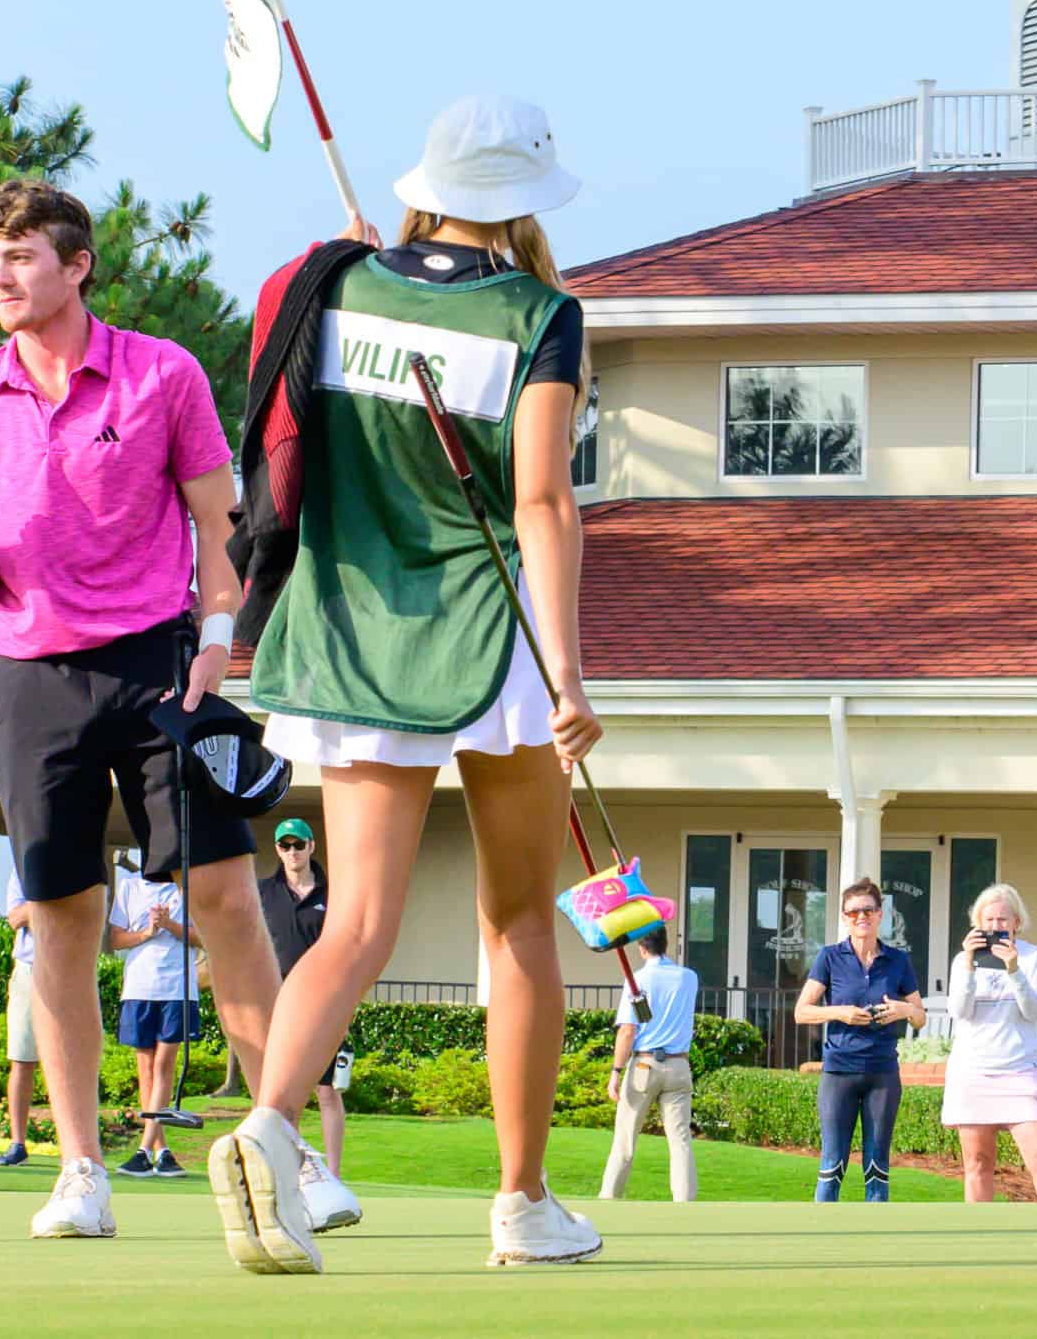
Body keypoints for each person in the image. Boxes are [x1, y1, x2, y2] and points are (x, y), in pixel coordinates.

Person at [189, 99, 601, 1272]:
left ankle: (268, 1130)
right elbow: (542, 503)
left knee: (357, 921)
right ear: (519, 197)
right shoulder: (542, 313)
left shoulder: (335, 286)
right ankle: (522, 1203)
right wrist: (569, 673)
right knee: (517, 915)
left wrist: (359, 274)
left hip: (350, 631)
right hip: (491, 631)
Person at [0, 177, 296, 1245]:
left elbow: (223, 527)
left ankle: (277, 1144)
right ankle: (78, 1169)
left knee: (225, 898)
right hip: (30, 676)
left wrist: (218, 646)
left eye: (19, 255)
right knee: (59, 919)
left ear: (75, 265)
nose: (1, 276)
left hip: (163, 663)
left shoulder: (163, 371)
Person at [796, 876, 923, 1202]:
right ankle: (822, 1241)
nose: (861, 917)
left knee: (877, 1166)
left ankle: (876, 1244)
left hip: (882, 1073)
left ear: (880, 914)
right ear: (844, 917)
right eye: (853, 913)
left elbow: (920, 1016)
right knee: (832, 1164)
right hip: (839, 1070)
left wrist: (903, 1009)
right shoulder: (829, 957)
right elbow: (802, 1011)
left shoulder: (898, 961)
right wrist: (840, 1013)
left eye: (867, 911)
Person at [943, 883, 1037, 1203]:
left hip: (1020, 1070)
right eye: (988, 921)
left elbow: (1034, 1010)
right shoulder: (963, 960)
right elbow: (959, 1011)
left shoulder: (1034, 957)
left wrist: (1014, 970)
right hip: (972, 1071)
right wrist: (970, 963)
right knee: (977, 1163)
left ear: (1017, 922)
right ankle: (981, 1240)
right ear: (977, 923)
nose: (995, 927)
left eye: (1003, 920)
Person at [256, 818, 353, 1183]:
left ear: (312, 846)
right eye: (286, 846)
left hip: (324, 1005)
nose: (293, 852)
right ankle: (282, 1170)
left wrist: (345, 1006)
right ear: (278, 850)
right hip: (276, 1005)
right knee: (274, 1092)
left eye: (299, 844)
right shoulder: (263, 892)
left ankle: (334, 1174)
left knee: (326, 1091)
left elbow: (349, 951)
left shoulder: (335, 893)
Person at [108, 856, 197, 1178]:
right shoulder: (130, 887)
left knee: (163, 1066)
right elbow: (116, 939)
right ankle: (161, 1151)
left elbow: (203, 938)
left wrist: (171, 925)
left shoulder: (187, 888)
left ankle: (144, 1149)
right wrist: (148, 931)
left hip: (177, 988)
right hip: (139, 987)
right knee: (146, 1069)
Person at [599, 926, 698, 1203]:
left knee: (625, 1140)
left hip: (644, 1064)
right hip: (679, 1065)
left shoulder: (638, 979)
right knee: (680, 1141)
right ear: (666, 944)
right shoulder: (688, 978)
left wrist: (615, 1072)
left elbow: (628, 1030)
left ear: (642, 949)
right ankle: (685, 1205)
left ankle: (609, 1198)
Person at [0, 864, 39, 1166]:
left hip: (68, 970)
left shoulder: (79, 860)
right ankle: (17, 1143)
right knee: (22, 1060)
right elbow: (16, 918)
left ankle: (75, 1149)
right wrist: (50, 899)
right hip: (28, 969)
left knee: (68, 1062)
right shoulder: (23, 869)